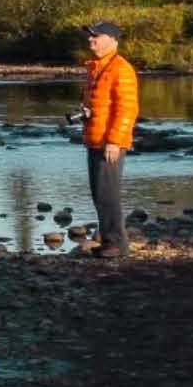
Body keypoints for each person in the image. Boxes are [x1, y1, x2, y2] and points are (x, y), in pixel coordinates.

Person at [81, 19, 139, 257]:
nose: (90, 39)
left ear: (112, 41)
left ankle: (117, 244)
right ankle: (108, 241)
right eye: (90, 35)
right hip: (96, 139)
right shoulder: (97, 68)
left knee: (108, 194)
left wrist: (114, 141)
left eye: (96, 36)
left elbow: (127, 109)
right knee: (99, 193)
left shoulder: (121, 69)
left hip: (109, 142)